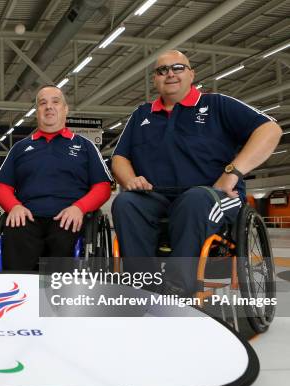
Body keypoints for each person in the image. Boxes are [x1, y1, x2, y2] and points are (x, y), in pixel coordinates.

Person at [111, 50, 282, 296]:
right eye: (162, 70)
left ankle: (180, 289)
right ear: (155, 79)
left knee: (195, 200)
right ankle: (142, 287)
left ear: (191, 74)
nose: (170, 74)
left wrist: (232, 172)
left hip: (212, 195)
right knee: (125, 202)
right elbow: (119, 157)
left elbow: (270, 130)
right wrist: (129, 179)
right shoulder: (141, 115)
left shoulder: (217, 105)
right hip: (156, 197)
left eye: (178, 68)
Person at [0, 85, 112, 270]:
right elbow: (2, 187)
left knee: (64, 236)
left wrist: (79, 208)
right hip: (27, 216)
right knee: (15, 231)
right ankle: (21, 295)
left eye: (55, 102)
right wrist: (14, 206)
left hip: (69, 215)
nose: (49, 106)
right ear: (37, 111)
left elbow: (103, 187)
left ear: (65, 110)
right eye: (43, 103)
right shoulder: (20, 148)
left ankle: (57, 296)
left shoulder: (85, 146)